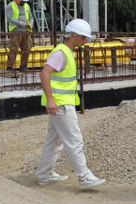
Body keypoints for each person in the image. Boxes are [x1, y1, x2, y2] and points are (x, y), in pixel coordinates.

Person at [36, 19, 106, 190]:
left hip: (60, 104)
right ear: (73, 36)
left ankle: (44, 174)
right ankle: (84, 177)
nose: (85, 41)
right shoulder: (61, 53)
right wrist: (51, 100)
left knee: (54, 141)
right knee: (74, 140)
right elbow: (44, 73)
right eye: (83, 38)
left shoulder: (66, 52)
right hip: (61, 106)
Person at [6, 0, 33, 72]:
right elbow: (9, 18)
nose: (23, 2)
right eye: (22, 1)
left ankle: (23, 66)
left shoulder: (26, 6)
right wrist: (20, 23)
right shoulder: (10, 6)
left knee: (27, 49)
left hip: (26, 30)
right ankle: (10, 66)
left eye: (24, 1)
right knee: (14, 48)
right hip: (15, 30)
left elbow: (31, 17)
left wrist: (31, 24)